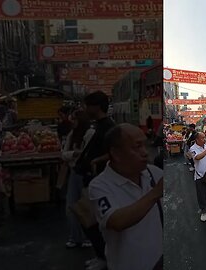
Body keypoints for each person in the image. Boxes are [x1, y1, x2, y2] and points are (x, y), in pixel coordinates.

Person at [89, 124, 163, 270]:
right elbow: (117, 221)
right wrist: (155, 193)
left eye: (145, 145)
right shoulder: (99, 186)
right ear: (116, 154)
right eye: (137, 146)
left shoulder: (154, 174)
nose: (145, 153)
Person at [74, 91, 116, 270]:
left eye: (88, 105)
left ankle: (104, 257)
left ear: (96, 106)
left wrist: (95, 161)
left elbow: (114, 151)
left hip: (99, 179)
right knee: (89, 219)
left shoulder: (108, 126)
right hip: (91, 178)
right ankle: (100, 255)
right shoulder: (98, 125)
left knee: (95, 221)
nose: (85, 109)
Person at [62, 110, 95, 248]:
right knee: (71, 206)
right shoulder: (72, 134)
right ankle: (75, 237)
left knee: (86, 206)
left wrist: (74, 155)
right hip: (74, 172)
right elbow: (64, 154)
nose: (72, 122)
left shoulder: (89, 134)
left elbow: (86, 155)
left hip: (85, 173)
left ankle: (89, 237)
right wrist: (74, 154)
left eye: (74, 120)